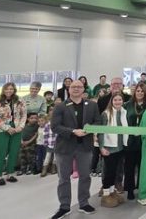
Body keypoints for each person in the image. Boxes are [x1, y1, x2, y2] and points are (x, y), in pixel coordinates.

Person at [50, 80, 102, 219]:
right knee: (63, 178)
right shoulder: (60, 106)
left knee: (85, 176)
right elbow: (55, 126)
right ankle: (64, 206)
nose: (76, 89)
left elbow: (98, 121)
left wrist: (88, 129)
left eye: (79, 87)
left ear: (84, 89)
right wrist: (73, 131)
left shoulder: (92, 105)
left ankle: (84, 203)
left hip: (85, 146)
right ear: (69, 89)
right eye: (73, 87)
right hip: (64, 147)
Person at [97, 93, 128, 208]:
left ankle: (112, 192)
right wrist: (101, 147)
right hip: (109, 148)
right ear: (111, 101)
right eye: (115, 100)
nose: (118, 102)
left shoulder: (123, 112)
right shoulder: (106, 114)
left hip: (120, 147)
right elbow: (101, 132)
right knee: (109, 173)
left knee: (115, 172)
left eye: (120, 100)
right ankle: (106, 194)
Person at [0, 82, 27, 186]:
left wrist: (20, 127)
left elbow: (24, 115)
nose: (9, 91)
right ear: (3, 90)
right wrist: (7, 128)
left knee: (14, 151)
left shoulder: (20, 100)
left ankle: (10, 173)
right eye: (7, 89)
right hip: (2, 129)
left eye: (11, 89)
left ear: (14, 90)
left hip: (17, 128)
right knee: (2, 152)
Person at [122, 83, 146, 200]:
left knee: (143, 166)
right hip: (130, 140)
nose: (140, 93)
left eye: (142, 91)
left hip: (144, 140)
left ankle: (142, 187)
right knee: (129, 166)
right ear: (134, 92)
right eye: (138, 91)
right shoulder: (127, 105)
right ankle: (130, 189)